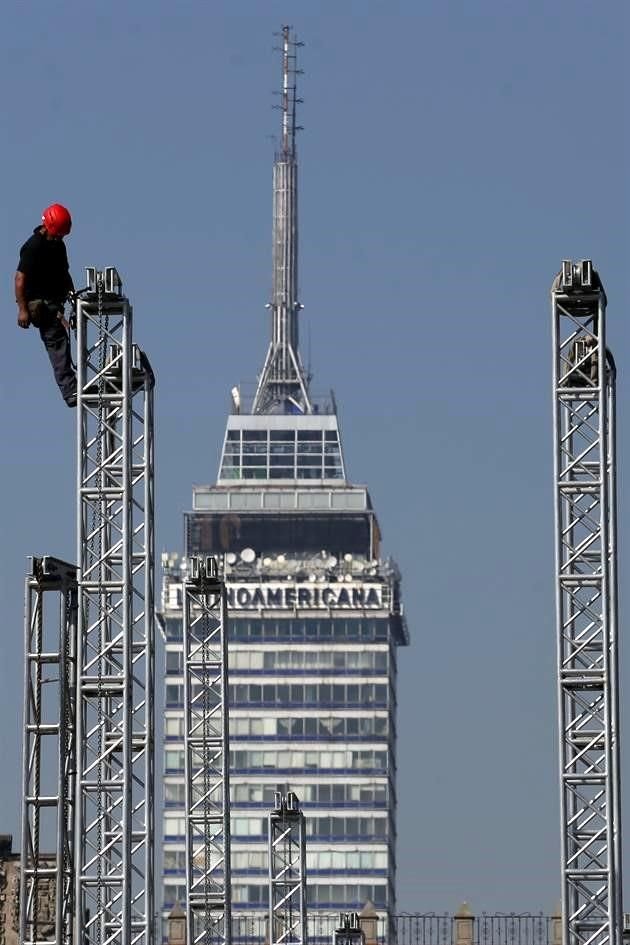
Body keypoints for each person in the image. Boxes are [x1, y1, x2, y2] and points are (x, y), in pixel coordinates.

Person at [15, 204, 77, 407]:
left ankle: (74, 383)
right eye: (58, 234)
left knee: (63, 339)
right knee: (56, 341)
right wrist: (22, 310)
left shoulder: (58, 245)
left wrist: (73, 297)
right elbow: (19, 280)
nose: (60, 238)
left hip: (53, 302)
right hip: (39, 305)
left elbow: (64, 273)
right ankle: (70, 390)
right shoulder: (33, 247)